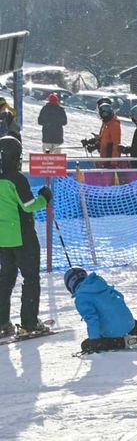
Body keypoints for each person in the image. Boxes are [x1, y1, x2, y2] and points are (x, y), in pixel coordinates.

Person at [0, 136, 52, 337]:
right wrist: (44, 198)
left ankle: (2, 322)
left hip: (3, 239)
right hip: (22, 237)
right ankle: (29, 323)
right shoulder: (16, 178)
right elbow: (29, 205)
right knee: (30, 279)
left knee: (5, 280)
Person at [63, 267, 137, 353]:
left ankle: (122, 341)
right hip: (129, 322)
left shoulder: (81, 298)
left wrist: (94, 341)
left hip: (112, 332)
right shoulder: (100, 283)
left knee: (86, 345)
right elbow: (120, 297)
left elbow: (92, 320)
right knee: (128, 323)